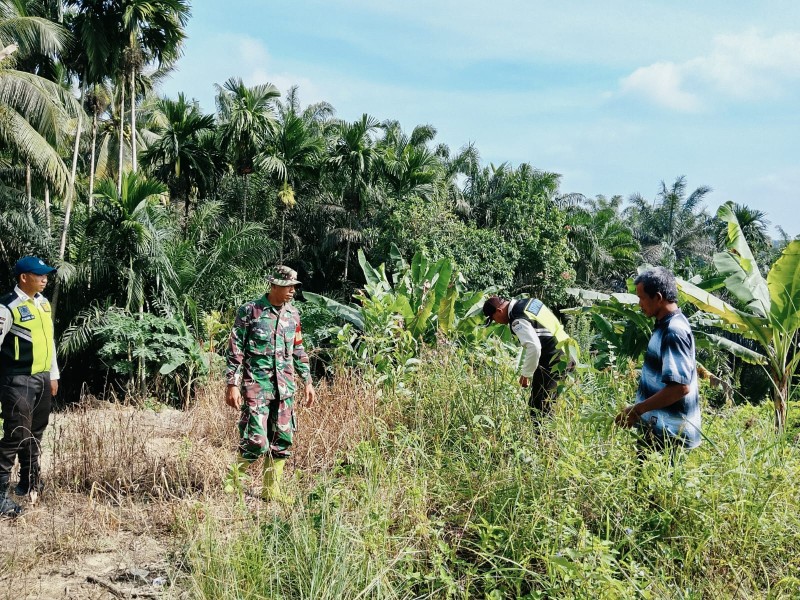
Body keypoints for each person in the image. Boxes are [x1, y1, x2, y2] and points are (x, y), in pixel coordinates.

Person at [224, 265, 316, 502]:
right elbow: (236, 351)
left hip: (285, 388)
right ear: (273, 285)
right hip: (257, 386)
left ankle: (271, 490)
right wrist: (232, 384)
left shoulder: (292, 315)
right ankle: (232, 482)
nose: (292, 292)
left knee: (282, 439)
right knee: (256, 440)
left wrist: (307, 381)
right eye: (287, 287)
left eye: (294, 287)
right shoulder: (250, 311)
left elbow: (298, 348)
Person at [615, 267, 701, 454]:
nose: (639, 304)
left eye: (642, 298)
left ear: (658, 298)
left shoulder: (673, 331)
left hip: (670, 435)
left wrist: (637, 410)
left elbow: (680, 387)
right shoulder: (667, 324)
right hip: (659, 428)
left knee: (652, 483)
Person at [0, 256, 59, 518]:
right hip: (17, 379)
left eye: (46, 275)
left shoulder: (43, 303)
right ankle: (0, 494)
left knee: (35, 432)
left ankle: (29, 481)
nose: (45, 279)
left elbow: (50, 342)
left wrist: (53, 375)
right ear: (24, 277)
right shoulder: (7, 307)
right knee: (15, 435)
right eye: (39, 275)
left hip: (42, 378)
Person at [482, 295, 572, 419]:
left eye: (494, 319)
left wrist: (525, 375)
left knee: (539, 408)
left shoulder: (517, 319)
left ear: (499, 311)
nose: (497, 322)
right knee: (548, 403)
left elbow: (534, 347)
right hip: (567, 350)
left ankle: (543, 438)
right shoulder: (530, 302)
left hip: (554, 359)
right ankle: (549, 436)